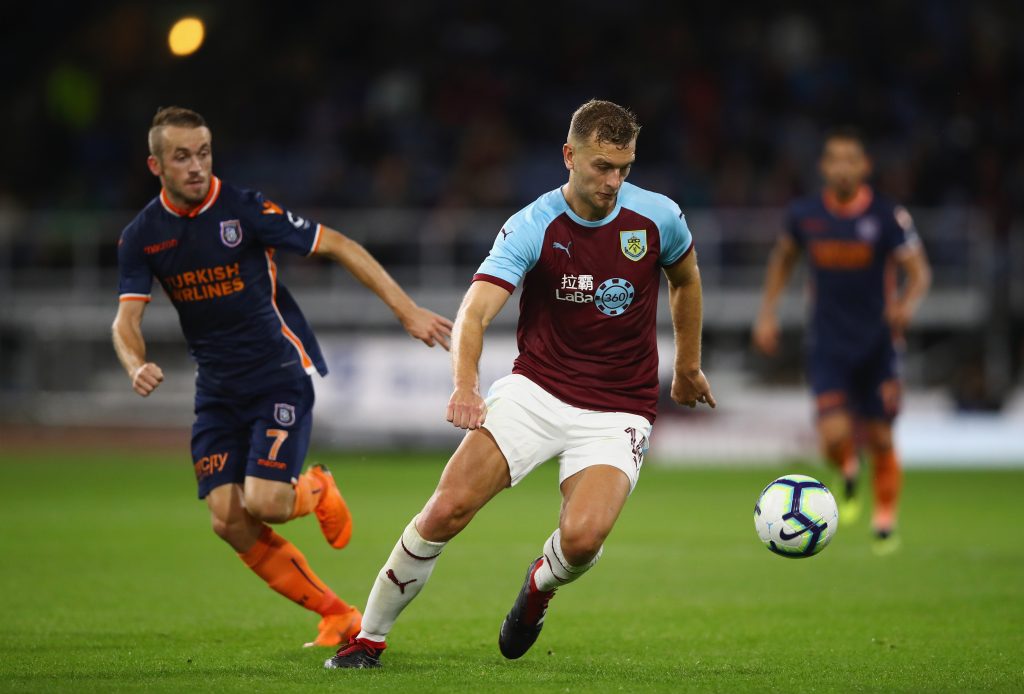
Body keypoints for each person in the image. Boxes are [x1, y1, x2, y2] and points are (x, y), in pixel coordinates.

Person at [325, 99, 716, 669]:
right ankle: (368, 639)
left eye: (624, 168)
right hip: (537, 391)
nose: (613, 181)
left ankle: (539, 586)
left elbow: (686, 278)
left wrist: (687, 365)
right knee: (445, 510)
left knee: (582, 541)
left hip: (619, 409)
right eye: (601, 167)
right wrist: (465, 386)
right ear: (568, 156)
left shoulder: (658, 217)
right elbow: (475, 313)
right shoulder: (534, 224)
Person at [111, 106, 453, 647]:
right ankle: (338, 614)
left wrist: (405, 309)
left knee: (266, 502)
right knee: (228, 519)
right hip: (217, 393)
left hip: (276, 377)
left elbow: (338, 244)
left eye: (203, 152)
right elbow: (126, 320)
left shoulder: (244, 209)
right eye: (182, 157)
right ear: (156, 165)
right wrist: (136, 363)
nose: (196, 166)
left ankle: (315, 486)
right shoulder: (142, 236)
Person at [752, 127, 931, 554]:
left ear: (864, 167)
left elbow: (919, 271)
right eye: (835, 159)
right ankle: (848, 467)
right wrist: (767, 312)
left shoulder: (887, 217)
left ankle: (884, 521)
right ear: (824, 167)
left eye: (852, 159)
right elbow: (783, 260)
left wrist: (906, 302)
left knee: (882, 438)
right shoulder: (805, 215)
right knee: (833, 436)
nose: (843, 167)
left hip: (878, 344)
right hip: (828, 343)